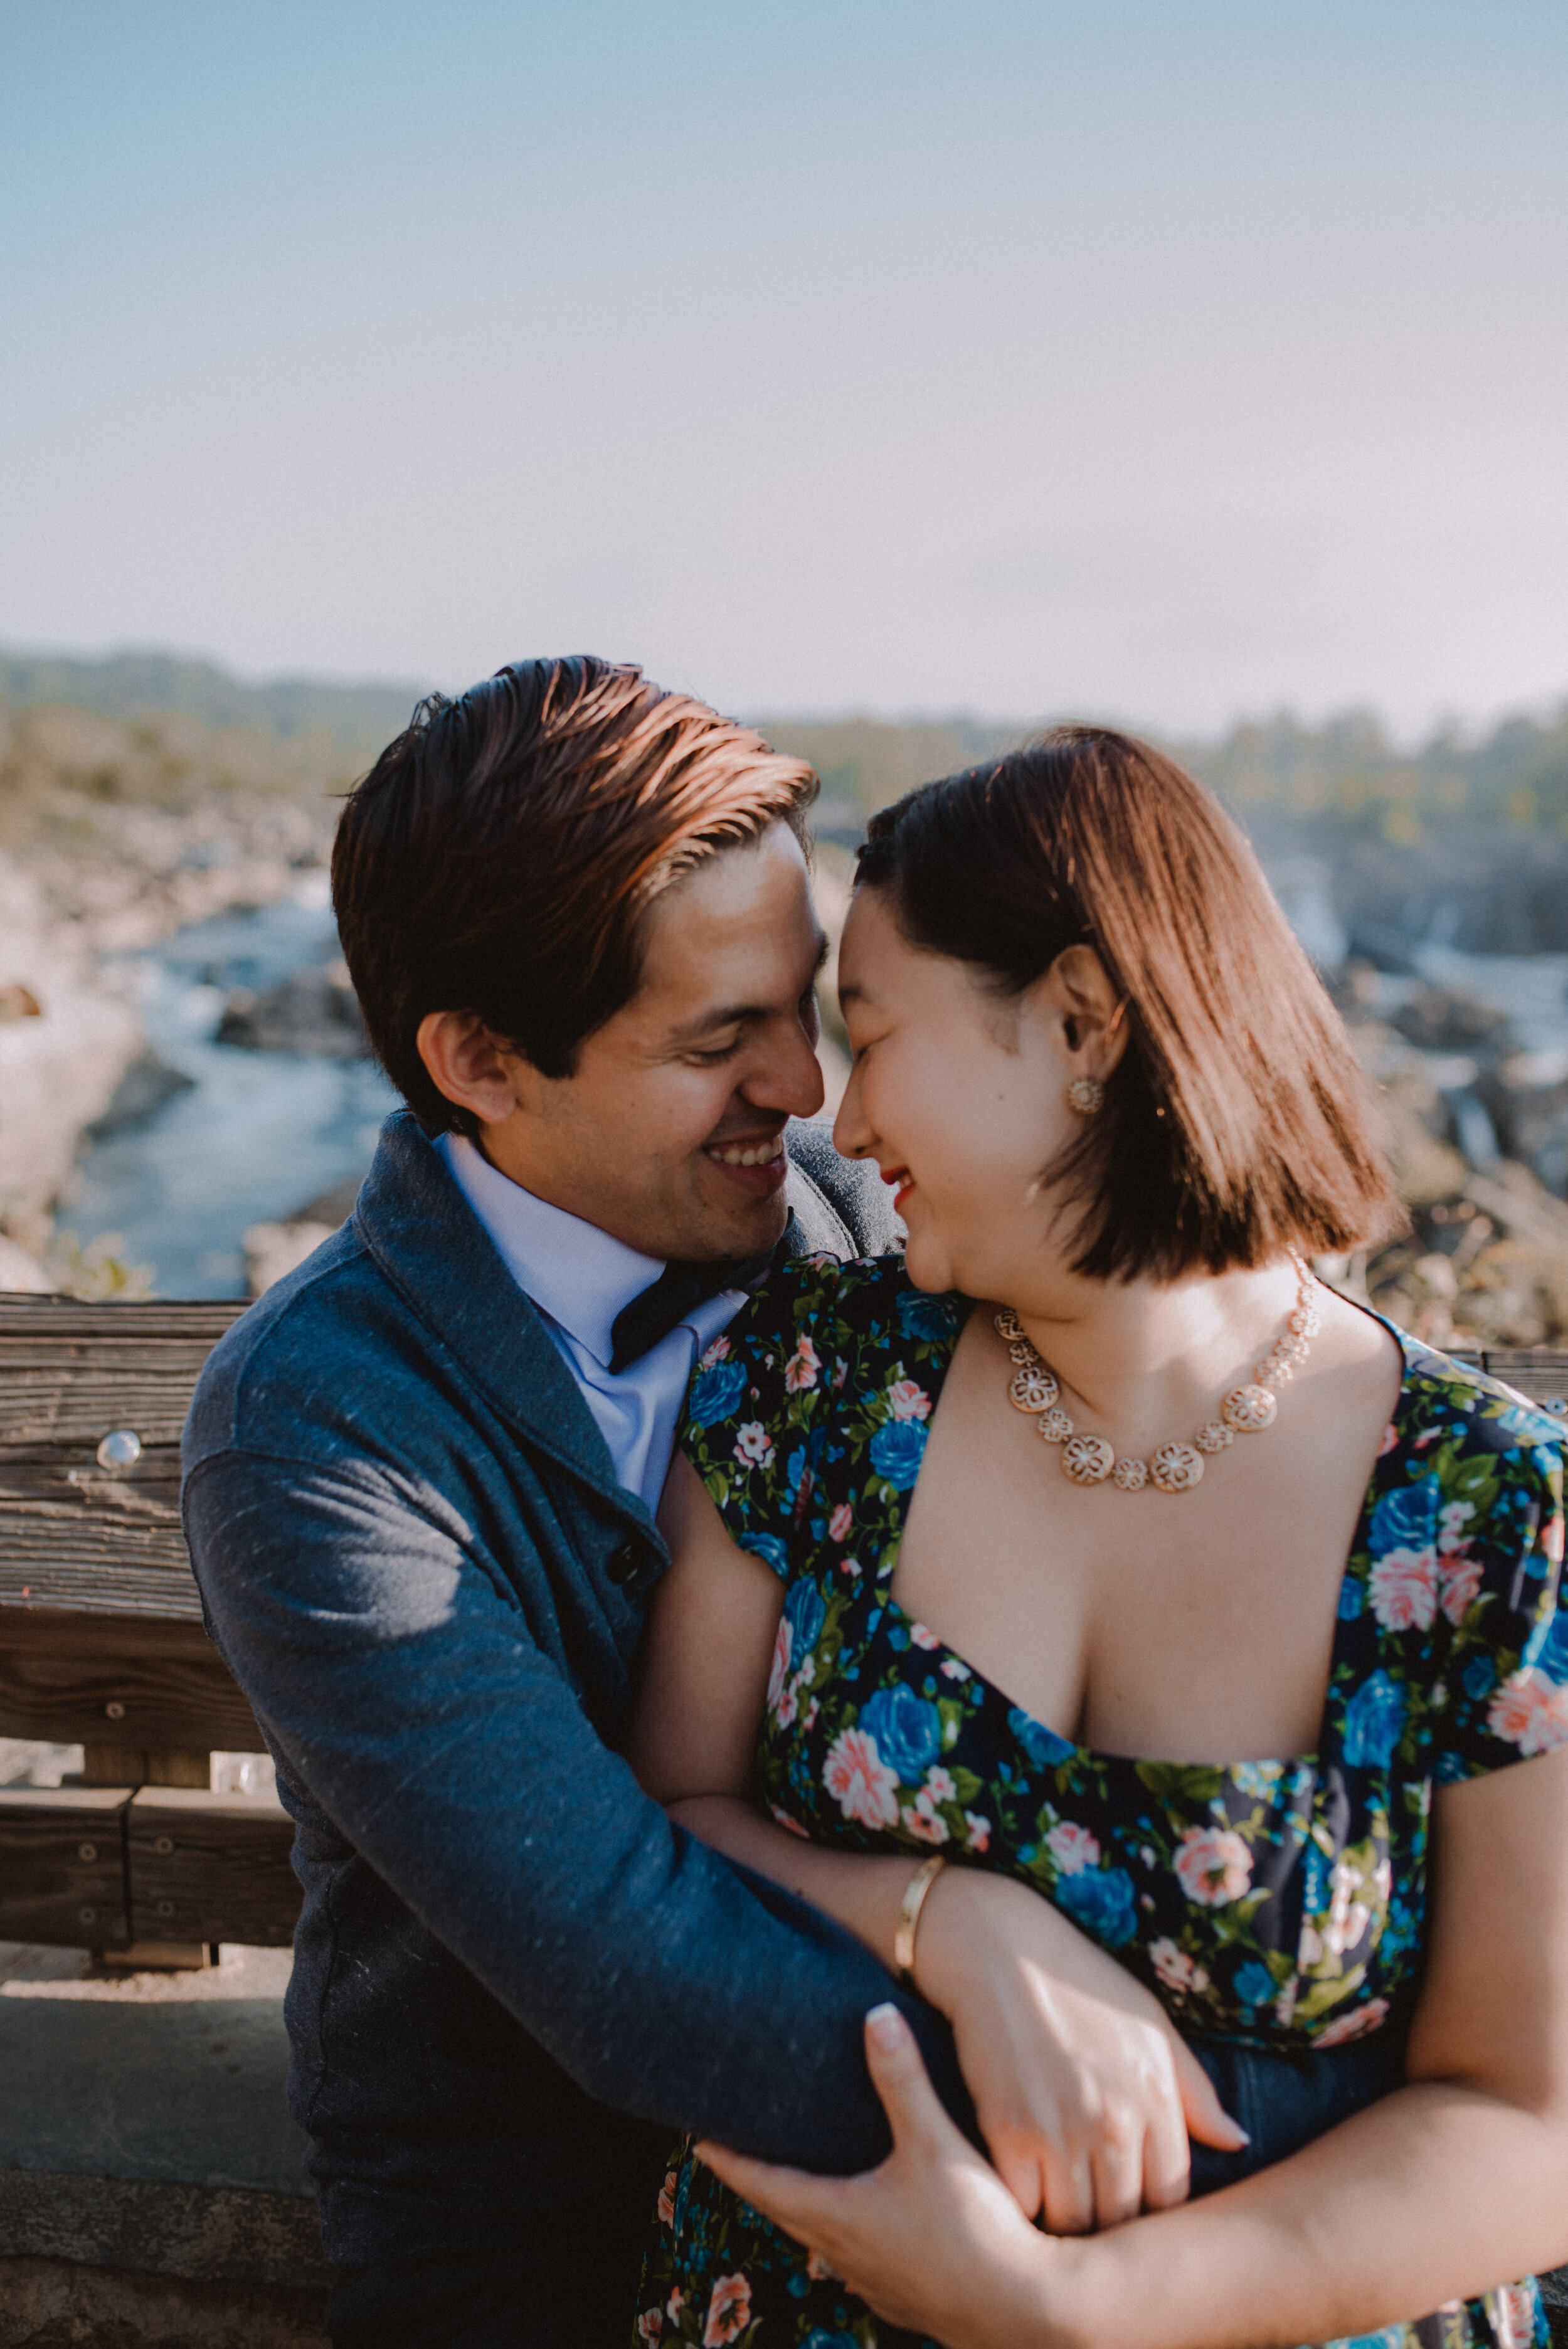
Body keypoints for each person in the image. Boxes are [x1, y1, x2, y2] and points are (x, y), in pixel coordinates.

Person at [183, 664, 1216, 2349]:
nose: (809, 1090)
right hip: (538, 2246)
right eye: (717, 1040)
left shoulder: (875, 1226)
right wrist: (1209, 2107)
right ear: (480, 1060)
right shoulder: (313, 1423)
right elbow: (626, 1959)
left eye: (809, 1007)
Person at [625, 726, 1568, 2349]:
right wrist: (947, 1917)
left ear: (1078, 1022)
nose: (836, 1131)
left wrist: (1077, 2310)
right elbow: (658, 1831)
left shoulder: (1488, 1513)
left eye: (871, 1035)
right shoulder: (807, 1393)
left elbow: (1526, 2117)